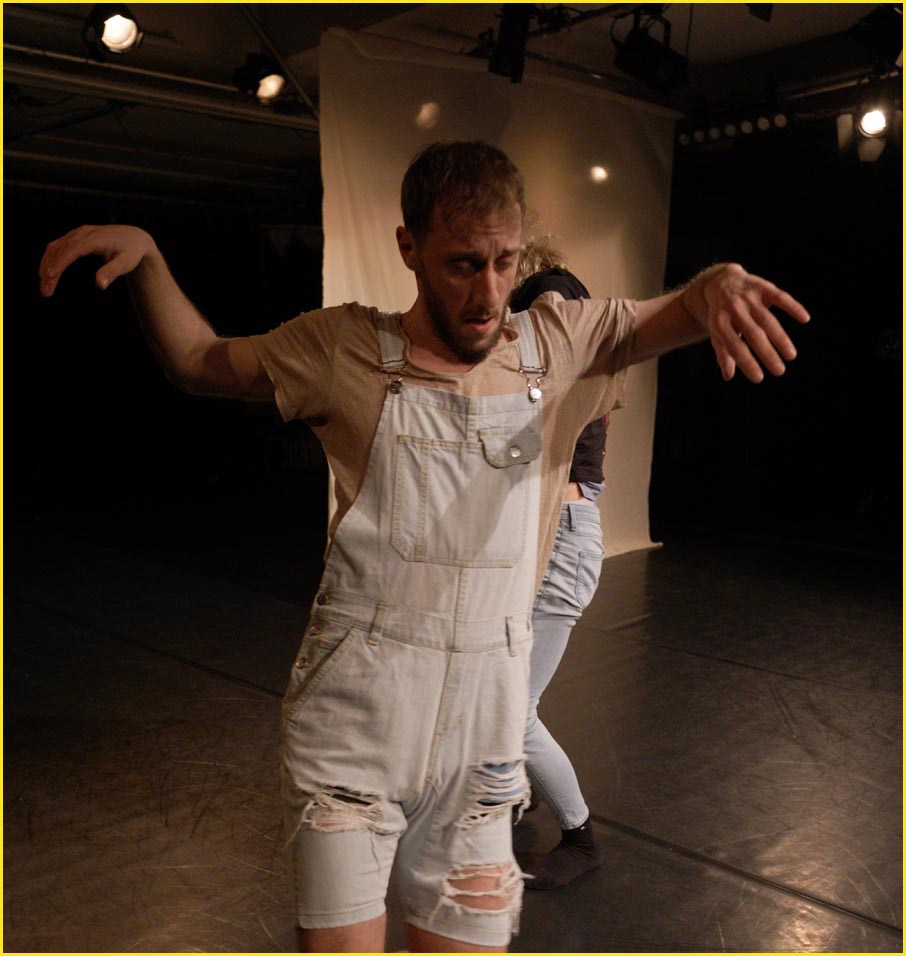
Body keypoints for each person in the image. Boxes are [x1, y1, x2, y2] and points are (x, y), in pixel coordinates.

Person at [38, 140, 809, 954]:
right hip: (353, 742)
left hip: (483, 756)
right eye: (463, 265)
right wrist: (150, 259)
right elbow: (200, 361)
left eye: (505, 263)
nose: (489, 293)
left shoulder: (558, 345)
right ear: (409, 248)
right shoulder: (345, 349)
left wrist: (718, 282)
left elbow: (681, 308)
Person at [509, 243, 608, 890]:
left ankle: (581, 837)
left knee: (514, 712)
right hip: (545, 536)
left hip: (562, 541)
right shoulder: (558, 325)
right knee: (497, 688)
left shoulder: (551, 294)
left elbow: (556, 304)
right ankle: (519, 791)